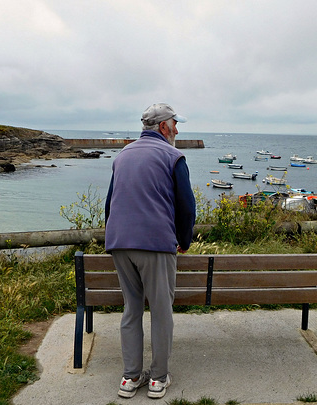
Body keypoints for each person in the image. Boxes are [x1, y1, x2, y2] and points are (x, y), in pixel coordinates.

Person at [104, 103, 196, 399]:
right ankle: (157, 379)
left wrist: (114, 236)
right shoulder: (173, 156)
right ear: (163, 127)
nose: (177, 130)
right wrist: (184, 240)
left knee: (131, 310)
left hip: (120, 242)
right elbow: (186, 206)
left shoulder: (123, 155)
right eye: (174, 124)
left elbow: (110, 203)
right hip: (155, 243)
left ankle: (130, 378)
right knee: (160, 310)